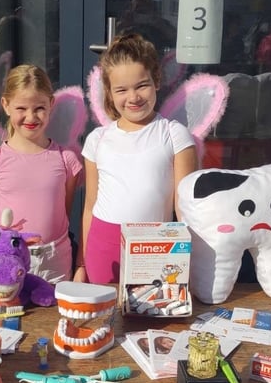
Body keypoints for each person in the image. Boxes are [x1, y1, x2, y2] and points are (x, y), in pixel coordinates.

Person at [76, 33, 197, 284]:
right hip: (102, 247)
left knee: (151, 308)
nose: (133, 97)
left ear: (156, 81)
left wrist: (189, 263)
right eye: (122, 90)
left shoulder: (175, 135)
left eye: (141, 85)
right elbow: (89, 206)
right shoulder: (97, 139)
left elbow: (185, 209)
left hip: (155, 248)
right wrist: (82, 264)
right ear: (110, 93)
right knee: (105, 309)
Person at [0, 64, 83, 283]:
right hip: (8, 258)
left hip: (56, 261)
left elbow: (63, 211)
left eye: (39, 108)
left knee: (53, 307)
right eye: (21, 108)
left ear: (51, 104)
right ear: (6, 105)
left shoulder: (66, 160)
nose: (31, 117)